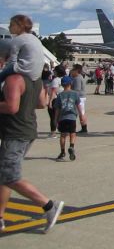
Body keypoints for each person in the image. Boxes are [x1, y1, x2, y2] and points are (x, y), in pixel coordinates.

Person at [0, 73, 64, 233]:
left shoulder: (14, 79)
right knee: (4, 175)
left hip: (15, 132)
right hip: (27, 129)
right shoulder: (34, 79)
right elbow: (42, 103)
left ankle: (49, 205)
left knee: (10, 176)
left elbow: (11, 107)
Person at [0, 15, 45, 87]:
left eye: (11, 25)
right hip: (36, 73)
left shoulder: (18, 39)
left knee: (2, 75)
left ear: (19, 26)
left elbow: (12, 61)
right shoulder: (35, 38)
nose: (9, 27)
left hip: (25, 69)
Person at [54, 76, 83, 161]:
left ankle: (62, 152)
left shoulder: (59, 95)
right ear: (71, 83)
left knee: (63, 135)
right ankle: (71, 146)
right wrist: (81, 115)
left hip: (62, 118)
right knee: (72, 133)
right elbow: (78, 106)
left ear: (62, 85)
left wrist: (55, 119)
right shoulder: (75, 94)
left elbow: (57, 109)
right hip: (72, 117)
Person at [70, 64, 88, 133]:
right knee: (81, 113)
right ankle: (84, 128)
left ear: (77, 70)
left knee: (80, 113)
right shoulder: (77, 77)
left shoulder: (77, 78)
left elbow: (77, 90)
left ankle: (84, 128)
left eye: (73, 69)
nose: (71, 71)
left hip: (79, 98)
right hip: (80, 97)